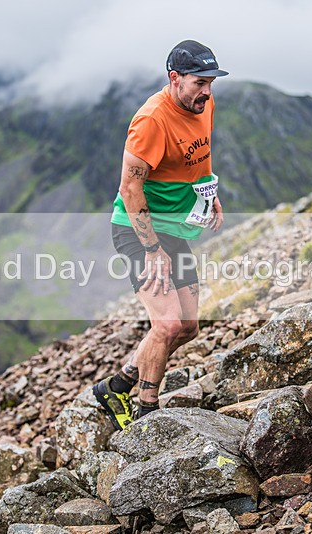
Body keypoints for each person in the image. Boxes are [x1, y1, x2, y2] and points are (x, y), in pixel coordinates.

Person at [93, 40, 228, 430]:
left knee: (188, 326)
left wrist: (208, 193)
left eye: (211, 82)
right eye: (199, 82)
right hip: (139, 230)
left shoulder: (204, 104)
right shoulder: (152, 120)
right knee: (167, 324)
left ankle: (117, 385)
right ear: (175, 79)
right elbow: (129, 189)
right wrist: (152, 250)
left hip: (173, 227)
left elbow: (198, 156)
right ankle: (147, 413)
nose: (207, 90)